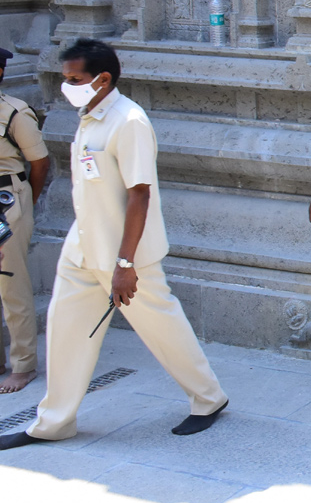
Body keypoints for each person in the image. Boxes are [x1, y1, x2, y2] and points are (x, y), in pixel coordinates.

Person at [1, 40, 228, 451]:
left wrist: (125, 263)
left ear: (102, 79)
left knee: (163, 327)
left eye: (74, 79)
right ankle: (53, 422)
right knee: (65, 330)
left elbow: (139, 194)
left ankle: (208, 399)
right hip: (83, 246)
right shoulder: (89, 116)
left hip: (127, 255)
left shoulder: (130, 122)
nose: (66, 86)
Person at [0, 47, 50, 395]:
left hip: (6, 203)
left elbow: (40, 164)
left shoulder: (15, 114)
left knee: (10, 286)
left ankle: (23, 365)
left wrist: (26, 203)